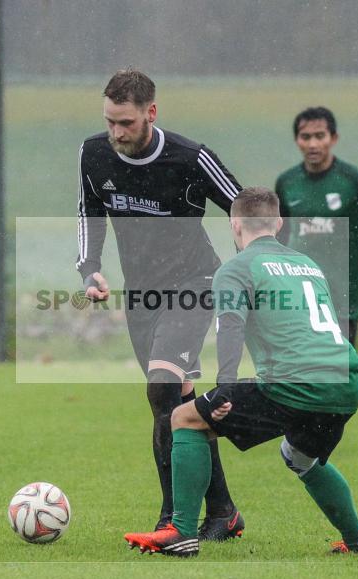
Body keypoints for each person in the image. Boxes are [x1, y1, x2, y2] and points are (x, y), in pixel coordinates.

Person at [123, 187, 358, 557]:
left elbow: (230, 327)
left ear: (234, 225)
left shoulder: (236, 268)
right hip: (346, 379)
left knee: (184, 417)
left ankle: (180, 531)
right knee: (300, 457)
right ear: (277, 223)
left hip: (295, 381)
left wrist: (224, 388)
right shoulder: (307, 265)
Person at [76, 69, 245, 539]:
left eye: (125, 123)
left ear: (151, 113)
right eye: (110, 121)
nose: (116, 133)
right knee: (178, 402)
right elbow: (88, 210)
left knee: (162, 390)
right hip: (142, 294)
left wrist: (254, 268)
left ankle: (173, 519)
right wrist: (89, 267)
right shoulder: (93, 153)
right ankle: (224, 512)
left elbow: (246, 209)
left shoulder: (191, 158)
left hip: (196, 281)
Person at [276, 107, 358, 345]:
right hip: (298, 297)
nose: (313, 144)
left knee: (338, 377)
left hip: (342, 299)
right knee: (300, 375)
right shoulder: (287, 183)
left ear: (333, 139)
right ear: (297, 140)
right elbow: (280, 233)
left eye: (320, 136)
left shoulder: (353, 180)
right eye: (306, 137)